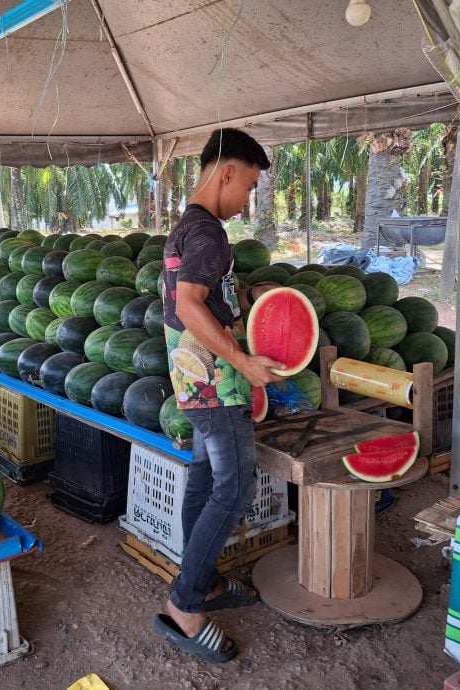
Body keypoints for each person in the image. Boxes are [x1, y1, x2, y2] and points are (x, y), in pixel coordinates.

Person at [152, 128, 284, 663]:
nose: (248, 200)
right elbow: (188, 307)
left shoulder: (188, 228)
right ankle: (185, 606)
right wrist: (245, 362)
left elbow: (200, 298)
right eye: (250, 186)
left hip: (191, 377)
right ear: (226, 172)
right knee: (231, 489)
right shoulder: (209, 234)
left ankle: (199, 581)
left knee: (204, 481)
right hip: (215, 381)